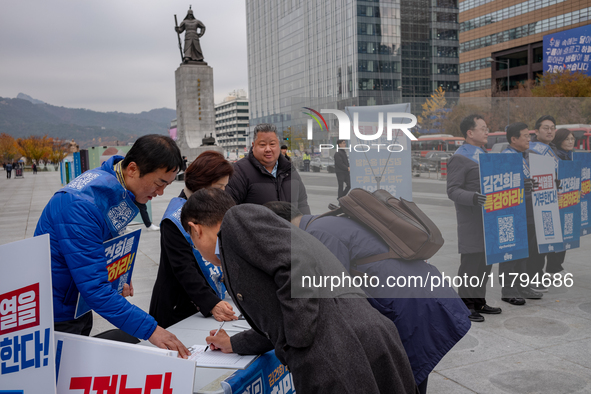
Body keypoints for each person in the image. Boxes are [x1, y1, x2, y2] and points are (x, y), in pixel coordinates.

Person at [180, 188, 418, 394]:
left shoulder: (237, 219)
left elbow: (298, 262)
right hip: (351, 339)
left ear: (196, 229)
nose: (198, 250)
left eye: (193, 241)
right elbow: (277, 317)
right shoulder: (237, 246)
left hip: (337, 346)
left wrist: (299, 343)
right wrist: (236, 343)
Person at [264, 201, 471, 394]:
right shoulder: (325, 222)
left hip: (414, 305)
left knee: (406, 378)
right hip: (419, 297)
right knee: (408, 377)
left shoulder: (318, 234)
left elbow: (330, 299)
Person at [34, 134, 189, 357]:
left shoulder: (115, 186)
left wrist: (117, 274)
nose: (160, 192)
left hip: (77, 303)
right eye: (159, 183)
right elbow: (95, 288)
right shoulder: (81, 206)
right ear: (133, 169)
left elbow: (100, 249)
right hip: (56, 313)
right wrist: (152, 330)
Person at [149, 151, 237, 328]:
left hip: (208, 299)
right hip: (179, 307)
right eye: (219, 187)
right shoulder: (174, 218)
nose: (223, 193)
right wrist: (211, 304)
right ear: (202, 184)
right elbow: (183, 268)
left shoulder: (208, 209)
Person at [447, 114, 502, 323]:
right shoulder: (460, 157)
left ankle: (479, 302)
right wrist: (474, 197)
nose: (487, 131)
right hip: (472, 221)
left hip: (488, 219)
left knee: (484, 266)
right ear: (470, 133)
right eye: (483, 128)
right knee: (470, 266)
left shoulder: (483, 154)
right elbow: (452, 190)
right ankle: (465, 305)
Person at [501, 123, 544, 304]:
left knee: (525, 254)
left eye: (529, 135)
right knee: (510, 255)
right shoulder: (504, 158)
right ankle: (508, 290)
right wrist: (519, 187)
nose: (529, 139)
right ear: (514, 139)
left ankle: (523, 286)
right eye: (525, 136)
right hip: (512, 214)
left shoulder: (530, 156)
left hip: (531, 212)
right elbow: (499, 186)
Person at [225, 123, 310, 214]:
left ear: (278, 145)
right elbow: (229, 212)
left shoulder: (289, 169)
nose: (268, 149)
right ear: (253, 146)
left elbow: (302, 204)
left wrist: (306, 227)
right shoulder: (238, 171)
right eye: (262, 145)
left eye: (272, 144)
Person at [525, 115, 559, 292]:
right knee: (534, 245)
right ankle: (532, 277)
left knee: (544, 244)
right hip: (533, 206)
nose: (550, 131)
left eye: (552, 128)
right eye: (546, 128)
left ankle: (539, 274)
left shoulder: (552, 149)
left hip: (549, 204)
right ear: (536, 131)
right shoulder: (530, 150)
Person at [544, 128, 576, 276]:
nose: (571, 141)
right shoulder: (556, 158)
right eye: (567, 139)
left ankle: (556, 266)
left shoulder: (570, 156)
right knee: (558, 234)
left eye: (572, 139)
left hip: (568, 201)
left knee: (566, 233)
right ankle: (553, 267)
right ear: (559, 140)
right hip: (557, 201)